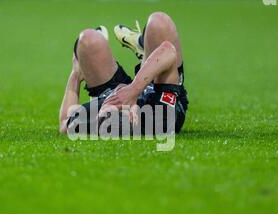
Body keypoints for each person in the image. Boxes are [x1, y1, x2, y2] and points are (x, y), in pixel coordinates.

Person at [59, 12, 189, 136]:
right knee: (159, 22)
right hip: (154, 85)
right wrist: (133, 89)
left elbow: (64, 124)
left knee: (88, 39)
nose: (117, 105)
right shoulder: (160, 119)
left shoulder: (98, 110)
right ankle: (145, 54)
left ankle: (145, 54)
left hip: (111, 90)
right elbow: (168, 50)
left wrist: (75, 74)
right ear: (134, 115)